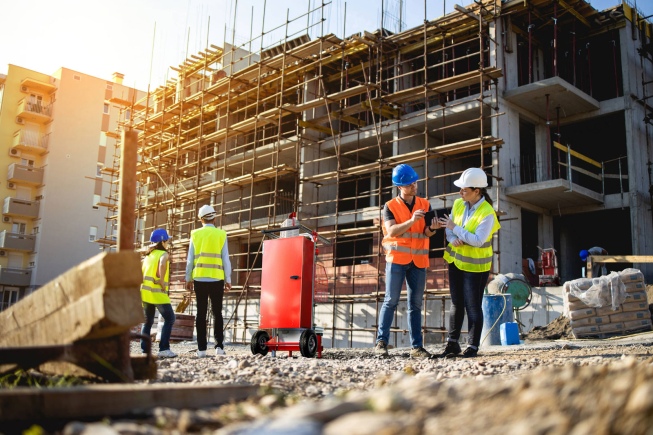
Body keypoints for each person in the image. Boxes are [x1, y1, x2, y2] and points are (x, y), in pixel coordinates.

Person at [374, 164, 442, 359]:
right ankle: (381, 342)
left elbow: (426, 232)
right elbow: (392, 230)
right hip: (397, 259)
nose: (414, 185)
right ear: (400, 186)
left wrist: (434, 229)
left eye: (415, 182)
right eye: (410, 183)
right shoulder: (390, 206)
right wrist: (412, 220)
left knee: (415, 305)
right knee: (390, 301)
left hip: (418, 261)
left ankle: (417, 347)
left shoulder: (425, 204)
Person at [438, 168, 501, 358]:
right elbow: (449, 228)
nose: (460, 192)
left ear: (477, 191)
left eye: (464, 189)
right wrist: (451, 237)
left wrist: (455, 228)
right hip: (456, 261)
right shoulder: (459, 204)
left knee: (473, 306)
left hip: (476, 266)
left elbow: (478, 240)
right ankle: (452, 344)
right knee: (456, 304)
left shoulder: (487, 212)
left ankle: (472, 346)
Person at [186, 204, 232, 357]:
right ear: (215, 217)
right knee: (217, 313)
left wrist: (188, 278)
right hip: (217, 278)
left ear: (200, 219)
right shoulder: (221, 234)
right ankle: (219, 347)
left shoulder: (195, 234)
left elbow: (190, 259)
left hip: (199, 278)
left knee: (201, 313)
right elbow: (226, 259)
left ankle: (201, 349)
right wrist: (228, 278)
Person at [140, 228, 177, 358]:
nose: (168, 242)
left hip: (145, 293)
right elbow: (162, 264)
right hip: (158, 293)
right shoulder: (164, 254)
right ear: (162, 241)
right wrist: (161, 281)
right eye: (167, 240)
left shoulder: (148, 255)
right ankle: (164, 349)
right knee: (170, 318)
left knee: (148, 321)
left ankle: (145, 351)